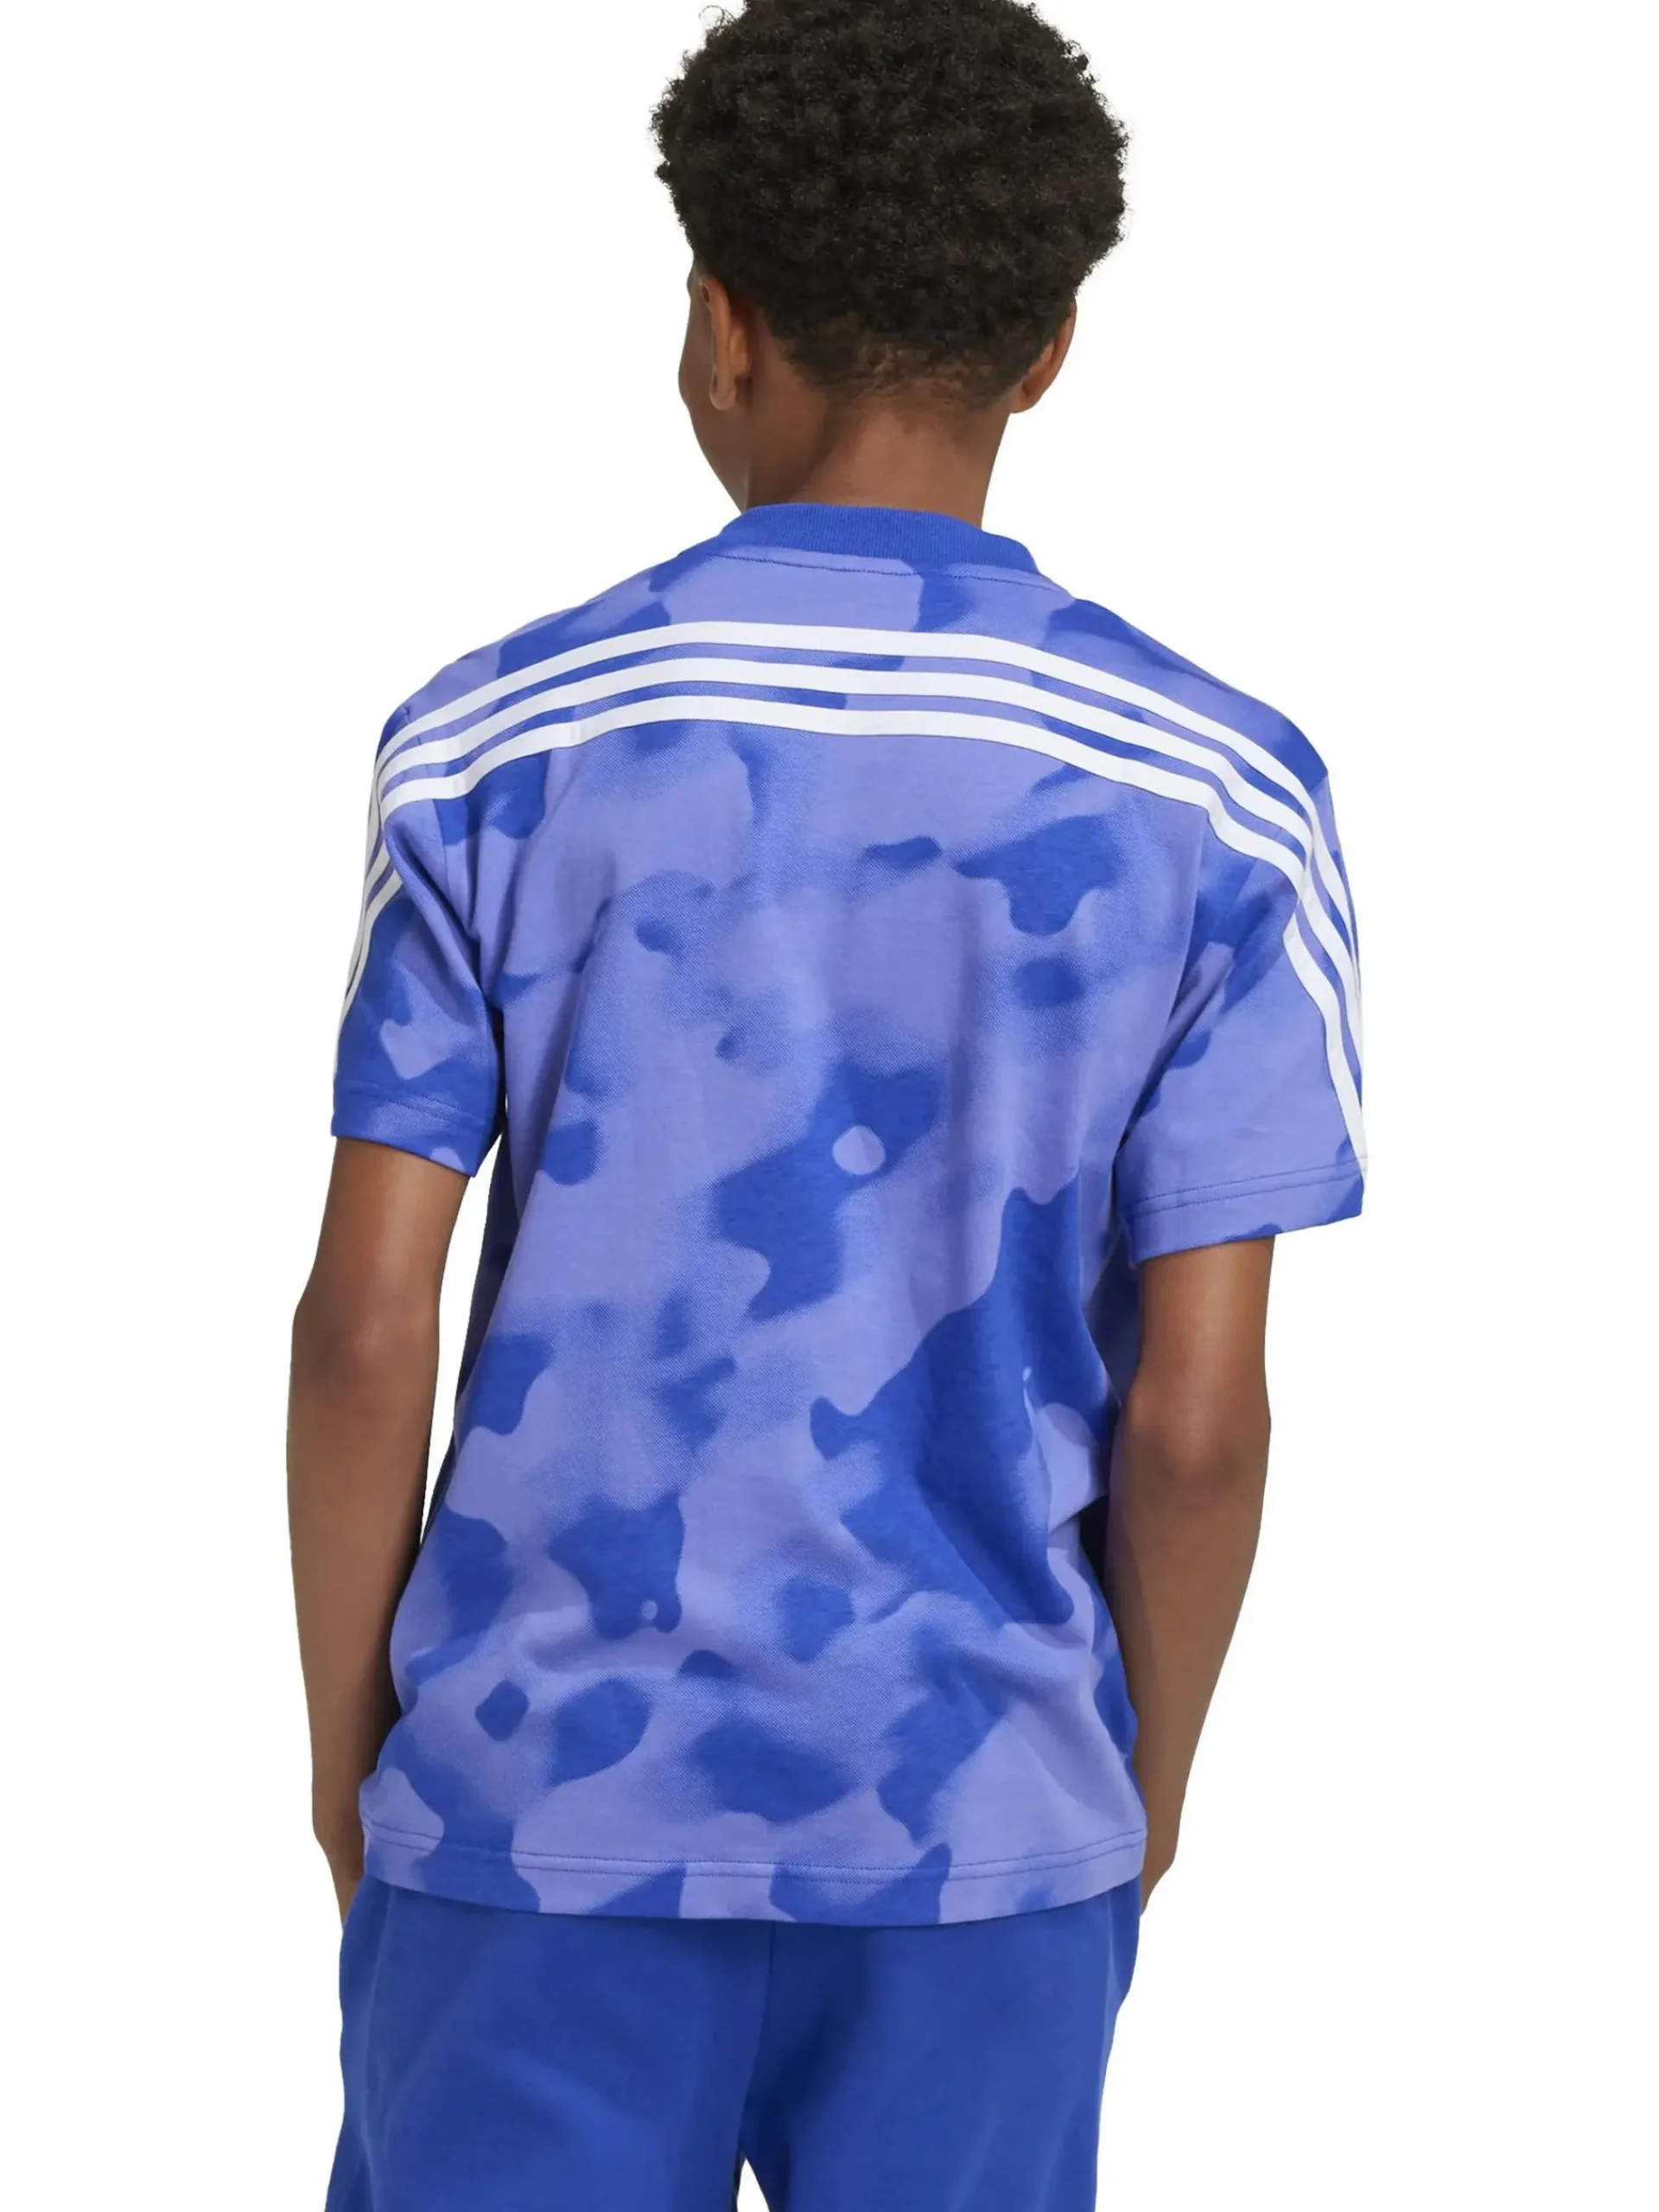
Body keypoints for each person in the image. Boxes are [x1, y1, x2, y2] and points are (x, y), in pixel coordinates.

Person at [289, 2, 1364, 2205]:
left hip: (534, 1811)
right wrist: (1133, 1787)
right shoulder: (1224, 790)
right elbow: (1200, 1418)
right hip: (982, 1820)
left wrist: (350, 1765)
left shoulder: (490, 743)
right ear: (1050, 348)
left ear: (720, 324)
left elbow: (362, 1325)